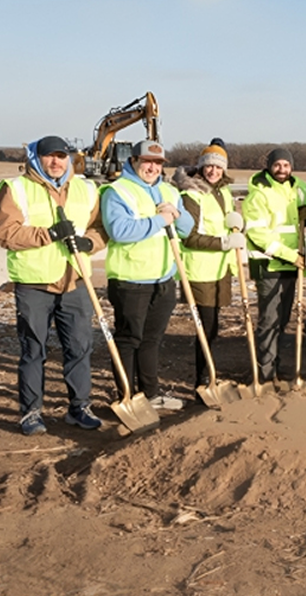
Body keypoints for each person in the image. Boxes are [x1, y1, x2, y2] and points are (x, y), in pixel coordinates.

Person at [0, 135, 107, 435]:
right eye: (49, 156)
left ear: (69, 158)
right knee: (33, 350)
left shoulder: (87, 188)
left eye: (61, 156)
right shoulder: (15, 189)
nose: (56, 162)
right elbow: (4, 233)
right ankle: (31, 413)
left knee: (80, 347)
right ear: (36, 158)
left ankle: (79, 407)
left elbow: (99, 229)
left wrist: (88, 242)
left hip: (75, 280)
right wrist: (50, 234)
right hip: (35, 284)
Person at [101, 140, 196, 411]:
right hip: (130, 280)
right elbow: (119, 230)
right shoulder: (117, 191)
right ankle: (127, 397)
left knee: (152, 341)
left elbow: (187, 228)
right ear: (133, 161)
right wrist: (161, 220)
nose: (152, 167)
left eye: (157, 163)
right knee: (129, 340)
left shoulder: (169, 191)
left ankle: (151, 394)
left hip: (164, 278)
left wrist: (175, 214)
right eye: (147, 162)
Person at [172, 144, 247, 395]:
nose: (213, 170)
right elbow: (189, 237)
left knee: (214, 328)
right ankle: (203, 380)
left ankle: (210, 373)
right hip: (200, 270)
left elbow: (222, 222)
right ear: (201, 166)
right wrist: (224, 243)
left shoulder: (223, 192)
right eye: (209, 165)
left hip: (220, 270)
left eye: (218, 166)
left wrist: (236, 225)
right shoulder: (192, 195)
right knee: (206, 328)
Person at [241, 148, 306, 383]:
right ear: (269, 166)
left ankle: (276, 366)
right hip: (269, 264)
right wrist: (289, 255)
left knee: (282, 320)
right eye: (277, 165)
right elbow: (259, 235)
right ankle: (265, 372)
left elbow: (300, 221)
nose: (282, 170)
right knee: (269, 320)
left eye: (286, 165)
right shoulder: (259, 194)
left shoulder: (298, 189)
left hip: (292, 265)